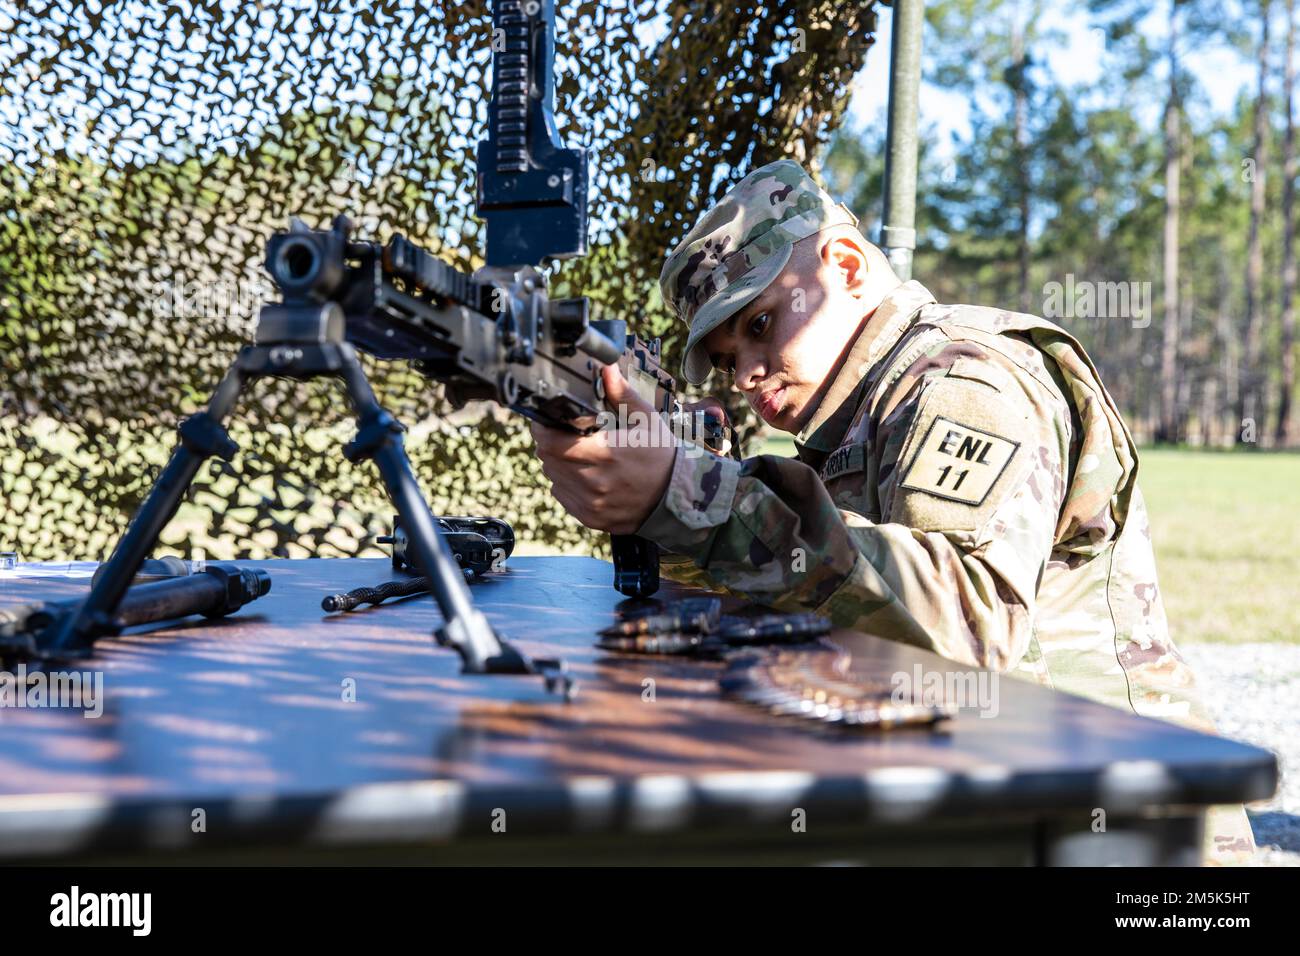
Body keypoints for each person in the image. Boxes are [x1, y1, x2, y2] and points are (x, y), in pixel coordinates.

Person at [529, 158, 1256, 865]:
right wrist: (652, 496)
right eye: (724, 356)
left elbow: (966, 631)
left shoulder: (961, 378)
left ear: (845, 266)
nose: (745, 371)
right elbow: (802, 597)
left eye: (760, 323)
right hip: (1013, 797)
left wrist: (689, 498)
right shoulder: (842, 422)